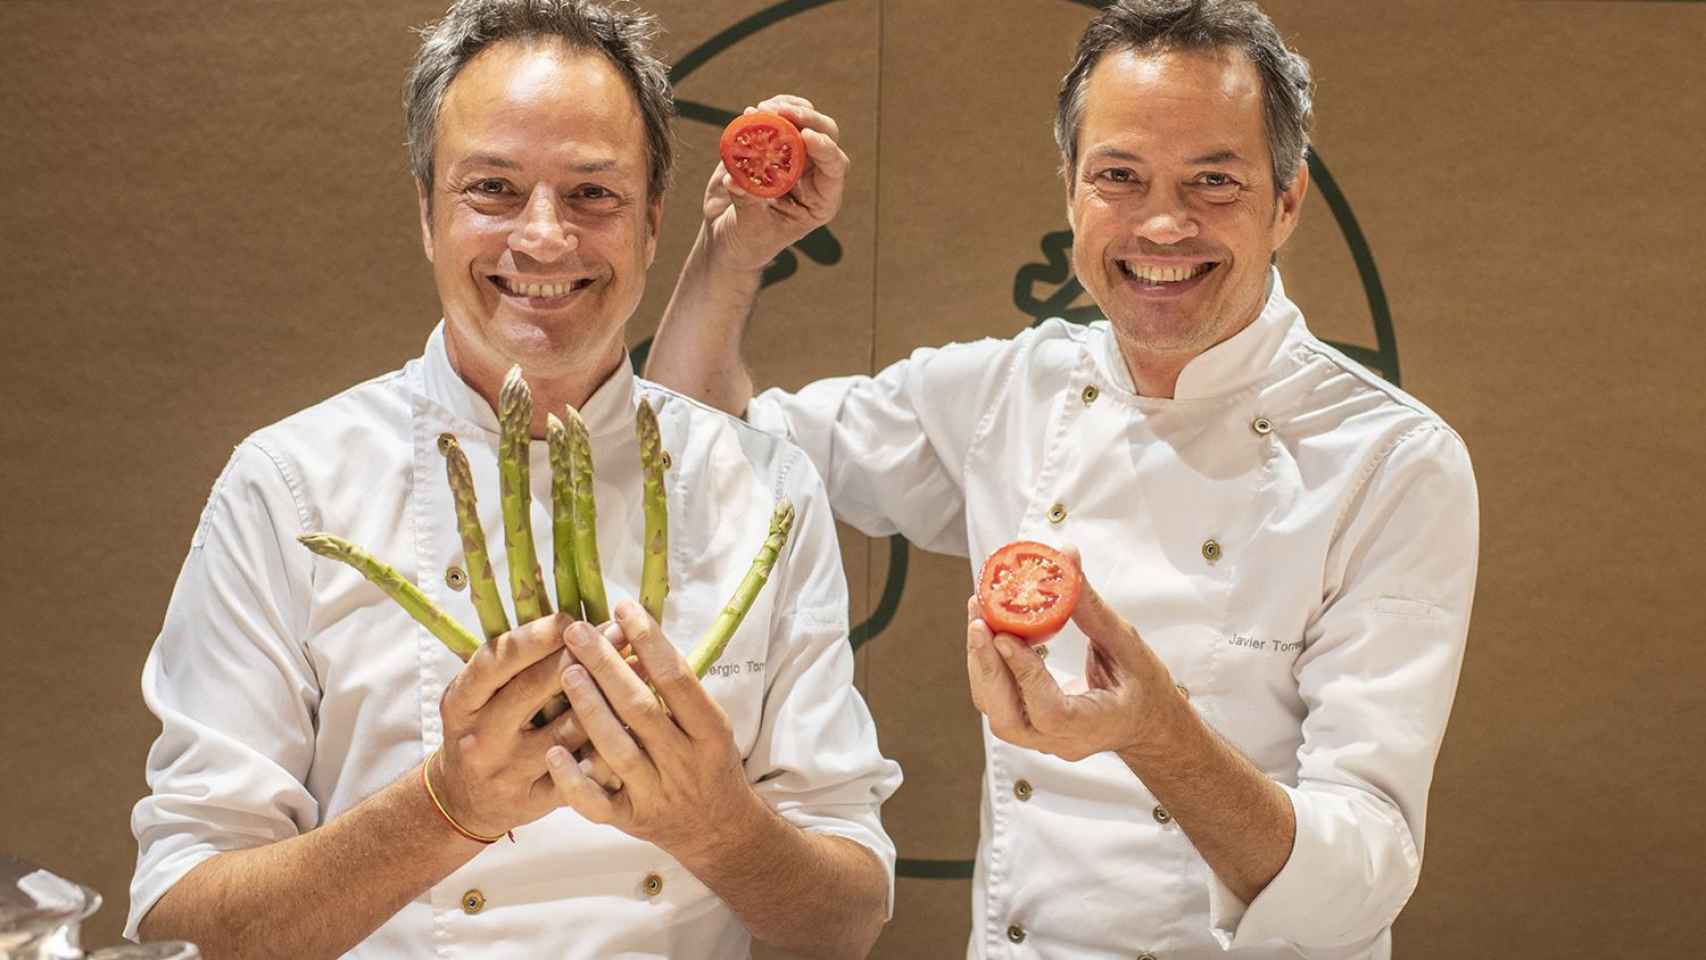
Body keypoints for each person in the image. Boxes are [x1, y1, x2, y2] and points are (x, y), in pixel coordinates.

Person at [644, 1, 1478, 957]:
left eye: (1215, 181)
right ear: (1072, 195)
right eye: (1119, 177)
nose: (1163, 224)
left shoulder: (1390, 460)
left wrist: (1160, 737)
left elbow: (1361, 875)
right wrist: (732, 250)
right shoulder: (1011, 391)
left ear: (1286, 203)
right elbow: (700, 448)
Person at [124, 2, 900, 958]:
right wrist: (447, 807)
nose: (543, 240)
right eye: (492, 188)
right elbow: (179, 925)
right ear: (426, 214)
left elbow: (847, 922)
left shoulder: (763, 486)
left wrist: (716, 825)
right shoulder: (289, 488)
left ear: (653, 224)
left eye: (593, 195)